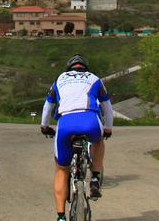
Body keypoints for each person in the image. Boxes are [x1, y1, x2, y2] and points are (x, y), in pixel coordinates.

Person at [40, 54, 114, 221]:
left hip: (65, 124)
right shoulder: (95, 78)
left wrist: (45, 127)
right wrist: (107, 129)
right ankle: (95, 177)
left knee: (61, 169)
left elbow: (47, 108)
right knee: (98, 140)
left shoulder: (59, 80)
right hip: (90, 121)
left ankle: (60, 217)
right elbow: (107, 109)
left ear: (69, 69)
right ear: (85, 68)